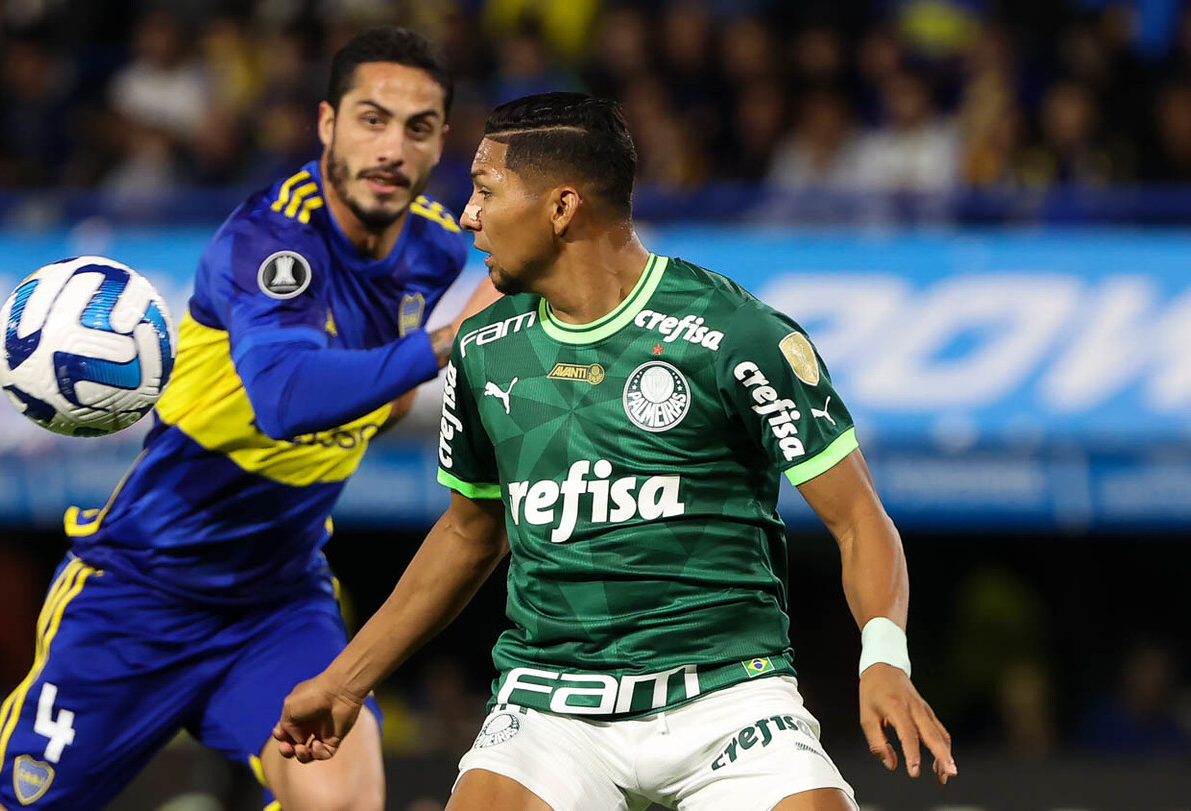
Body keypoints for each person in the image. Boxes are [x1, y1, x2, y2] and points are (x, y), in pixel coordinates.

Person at [273, 92, 956, 811]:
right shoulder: (485, 348)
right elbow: (469, 533)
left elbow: (858, 518)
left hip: (729, 698)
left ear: (562, 207)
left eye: (485, 191)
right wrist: (346, 679)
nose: (468, 215)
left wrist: (885, 659)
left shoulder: (735, 335)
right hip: (550, 706)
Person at [0, 27, 495, 811]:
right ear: (327, 124)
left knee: (345, 801)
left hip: (278, 606)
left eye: (416, 127)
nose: (392, 146)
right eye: (371, 119)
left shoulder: (434, 249)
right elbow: (284, 399)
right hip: (140, 590)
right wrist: (449, 342)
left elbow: (372, 405)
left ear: (440, 142)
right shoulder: (268, 238)